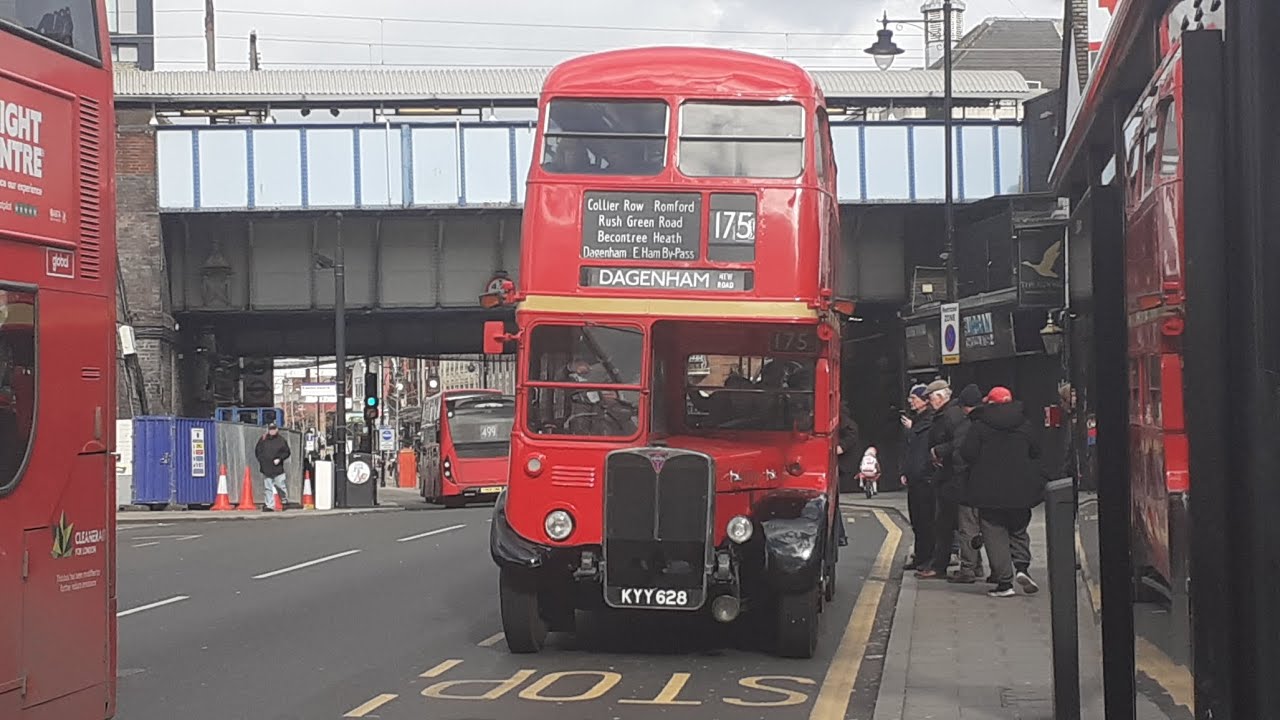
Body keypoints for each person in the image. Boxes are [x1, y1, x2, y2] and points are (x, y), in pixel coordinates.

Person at [959, 386, 1044, 597]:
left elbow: (968, 453)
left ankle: (1005, 582)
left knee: (994, 533)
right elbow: (1036, 451)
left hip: (989, 491)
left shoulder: (980, 426)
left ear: (990, 403)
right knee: (1019, 530)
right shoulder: (1024, 424)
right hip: (1021, 489)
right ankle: (1022, 567)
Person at [919, 379, 965, 578]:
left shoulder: (951, 416)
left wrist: (938, 451)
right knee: (950, 524)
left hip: (951, 475)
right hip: (947, 474)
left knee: (947, 524)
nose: (929, 403)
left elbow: (959, 442)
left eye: (930, 398)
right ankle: (964, 565)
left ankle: (940, 566)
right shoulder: (946, 414)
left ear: (940, 397)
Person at [943, 384, 985, 583]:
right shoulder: (990, 421)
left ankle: (968, 569)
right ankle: (984, 568)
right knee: (989, 529)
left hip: (968, 483)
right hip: (991, 484)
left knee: (968, 528)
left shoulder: (966, 425)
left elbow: (960, 455)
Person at [900, 384, 936, 571]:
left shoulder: (929, 421)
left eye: (914, 398)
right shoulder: (919, 421)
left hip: (924, 479)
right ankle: (921, 556)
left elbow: (921, 451)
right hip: (915, 478)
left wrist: (912, 428)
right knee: (917, 520)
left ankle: (926, 558)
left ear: (925, 400)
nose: (910, 401)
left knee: (926, 521)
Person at [255, 423, 292, 512]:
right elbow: (257, 450)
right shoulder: (263, 439)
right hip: (266, 468)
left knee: (280, 486)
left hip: (278, 468)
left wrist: (280, 459)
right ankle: (269, 505)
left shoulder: (281, 440)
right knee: (268, 488)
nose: (272, 431)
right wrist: (261, 460)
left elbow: (287, 452)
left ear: (277, 430)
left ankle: (284, 501)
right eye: (270, 429)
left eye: (273, 429)